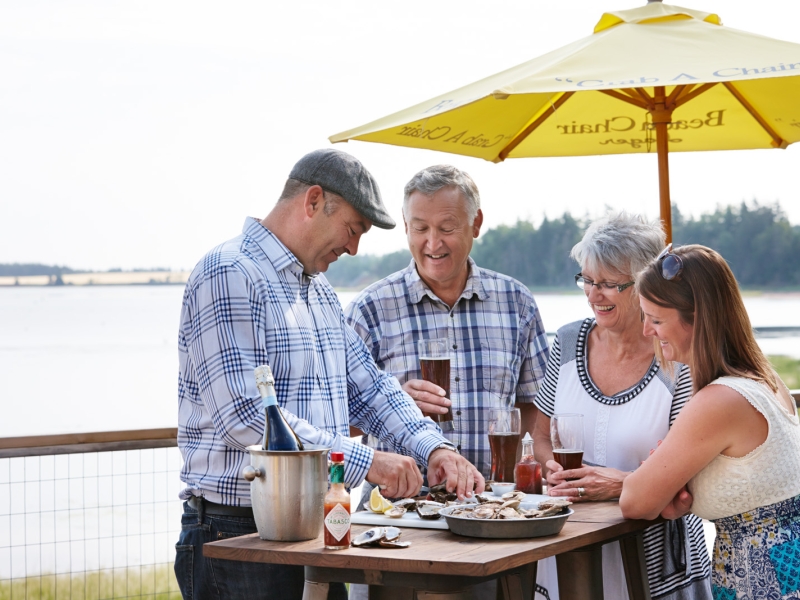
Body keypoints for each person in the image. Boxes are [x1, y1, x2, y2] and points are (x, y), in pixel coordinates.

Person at [175, 149, 484, 600]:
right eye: (352, 229)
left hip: (316, 528)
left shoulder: (318, 290)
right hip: (237, 533)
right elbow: (247, 419)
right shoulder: (229, 272)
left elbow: (371, 389)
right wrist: (367, 462)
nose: (354, 248)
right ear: (314, 201)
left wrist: (433, 447)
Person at [344, 164, 548, 600]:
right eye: (420, 228)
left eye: (447, 228)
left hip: (491, 523)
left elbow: (535, 409)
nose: (432, 244)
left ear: (476, 223)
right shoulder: (371, 308)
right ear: (404, 226)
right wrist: (393, 403)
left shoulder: (516, 302)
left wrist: (533, 483)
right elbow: (339, 427)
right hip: (395, 528)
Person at [532, 214, 712, 600]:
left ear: (645, 284)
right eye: (587, 280)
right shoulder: (566, 341)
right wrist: (551, 468)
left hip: (652, 559)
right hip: (564, 547)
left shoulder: (678, 355)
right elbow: (541, 432)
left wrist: (619, 484)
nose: (593, 294)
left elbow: (690, 475)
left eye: (610, 284)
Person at [621, 244, 800, 600]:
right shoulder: (764, 378)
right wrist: (677, 486)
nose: (646, 331)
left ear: (698, 318)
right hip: (782, 565)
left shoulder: (720, 400)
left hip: (760, 578)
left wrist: (663, 480)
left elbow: (634, 501)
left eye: (656, 319)